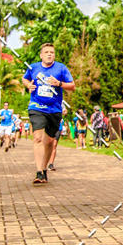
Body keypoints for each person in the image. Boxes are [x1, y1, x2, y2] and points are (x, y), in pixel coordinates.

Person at [23, 42, 75, 185]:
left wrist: (59, 84)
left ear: (54, 55)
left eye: (51, 52)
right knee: (38, 138)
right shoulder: (33, 67)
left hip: (54, 109)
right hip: (36, 107)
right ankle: (39, 172)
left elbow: (72, 86)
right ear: (41, 55)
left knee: (50, 142)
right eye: (46, 52)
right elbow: (25, 78)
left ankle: (44, 169)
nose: (49, 54)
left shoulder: (61, 68)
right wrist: (28, 85)